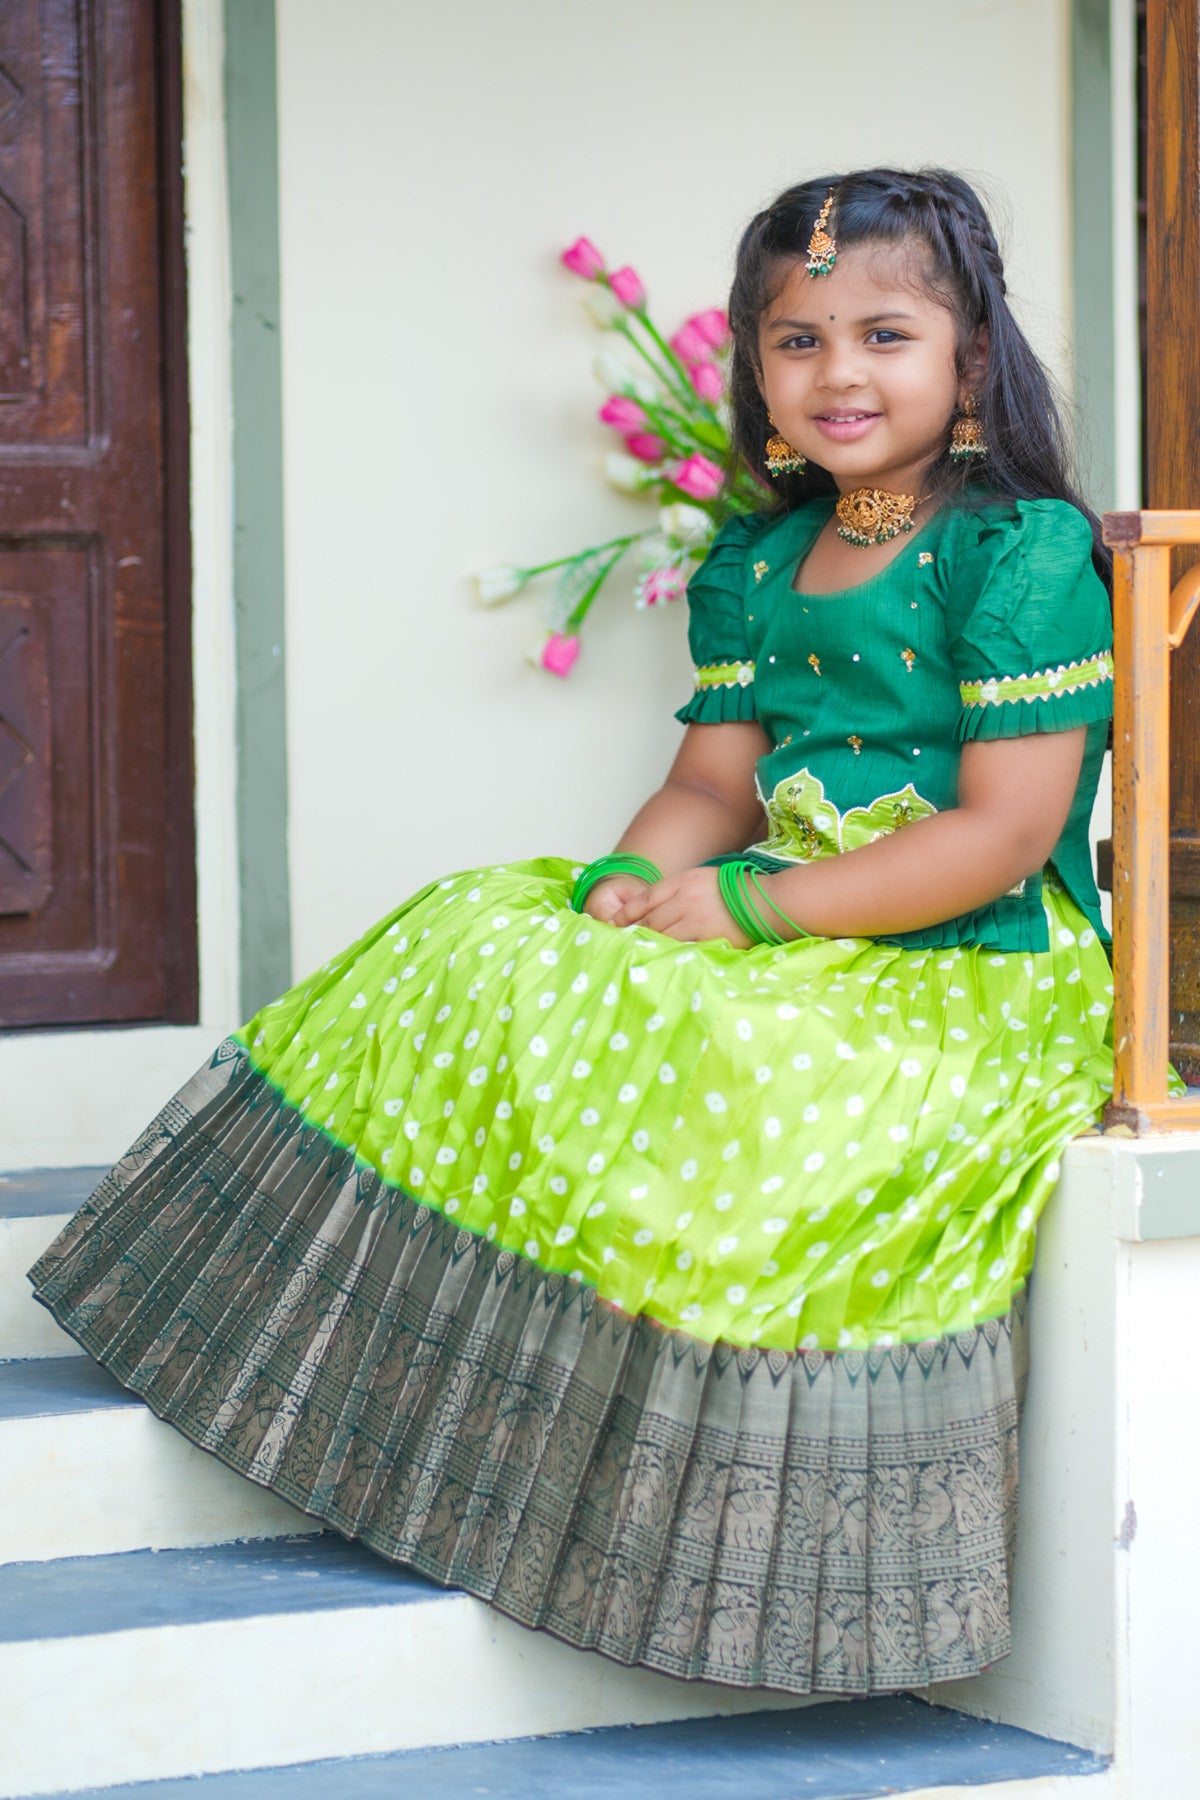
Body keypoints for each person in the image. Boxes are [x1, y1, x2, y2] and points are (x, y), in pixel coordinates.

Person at [29, 168, 1117, 1698]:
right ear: (753, 369)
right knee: (479, 933)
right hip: (795, 924)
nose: (839, 375)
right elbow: (707, 787)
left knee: (735, 1056)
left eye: (884, 334)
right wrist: (633, 889)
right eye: (795, 342)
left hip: (970, 966)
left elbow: (1003, 834)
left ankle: (676, 1529)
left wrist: (747, 909)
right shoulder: (761, 562)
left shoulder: (1017, 559)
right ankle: (416, 1411)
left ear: (973, 361)